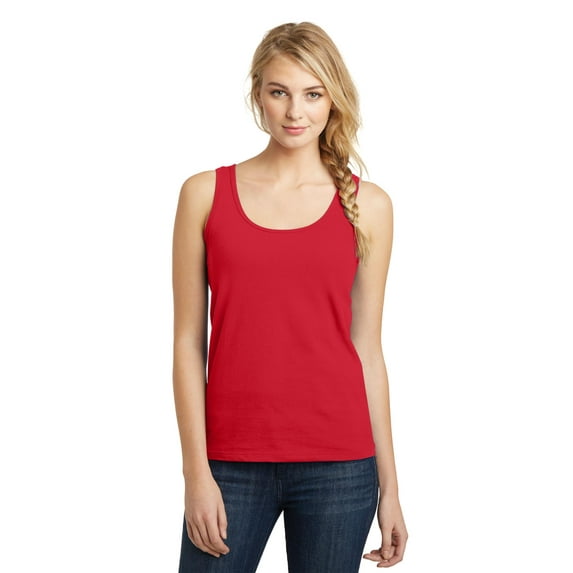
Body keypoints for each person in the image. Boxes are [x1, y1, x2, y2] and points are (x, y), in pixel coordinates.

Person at [172, 21, 407, 572]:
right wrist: (195, 473)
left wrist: (391, 488)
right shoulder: (204, 194)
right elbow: (187, 343)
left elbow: (368, 351)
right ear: (258, 93)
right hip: (230, 461)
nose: (295, 111)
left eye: (313, 94)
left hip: (341, 465)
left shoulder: (368, 205)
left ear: (334, 99)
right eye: (280, 92)